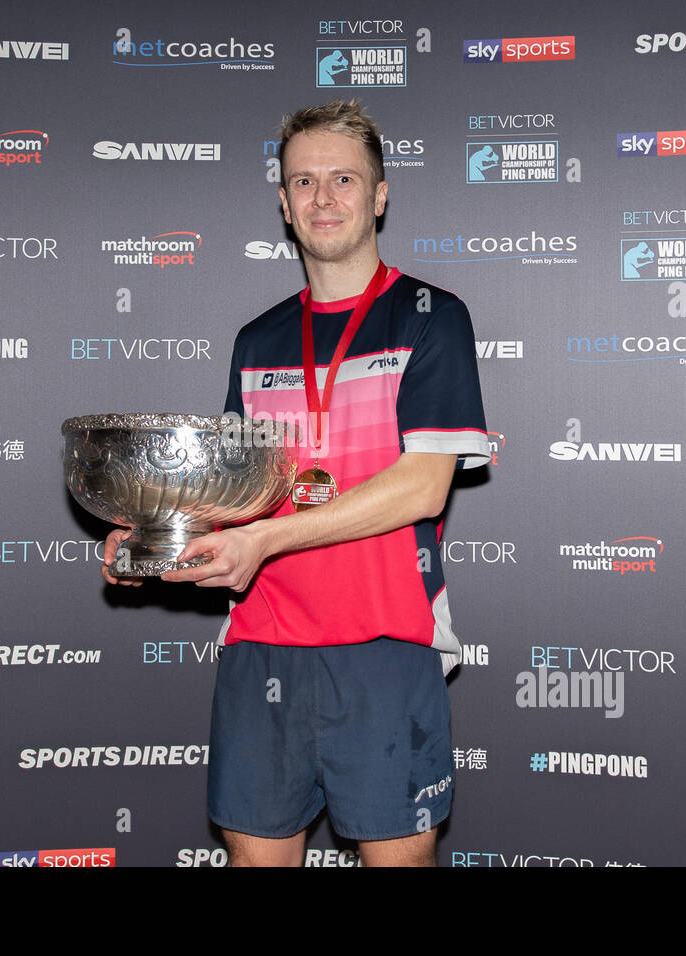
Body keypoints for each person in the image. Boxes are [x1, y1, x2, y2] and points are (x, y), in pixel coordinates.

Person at [103, 99, 489, 866]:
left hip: (385, 643)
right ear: (282, 203)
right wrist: (159, 542)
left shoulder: (429, 318)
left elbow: (422, 488)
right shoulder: (258, 339)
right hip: (264, 643)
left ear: (379, 195)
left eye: (344, 178)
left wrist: (269, 538)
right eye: (303, 182)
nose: (323, 198)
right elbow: (234, 498)